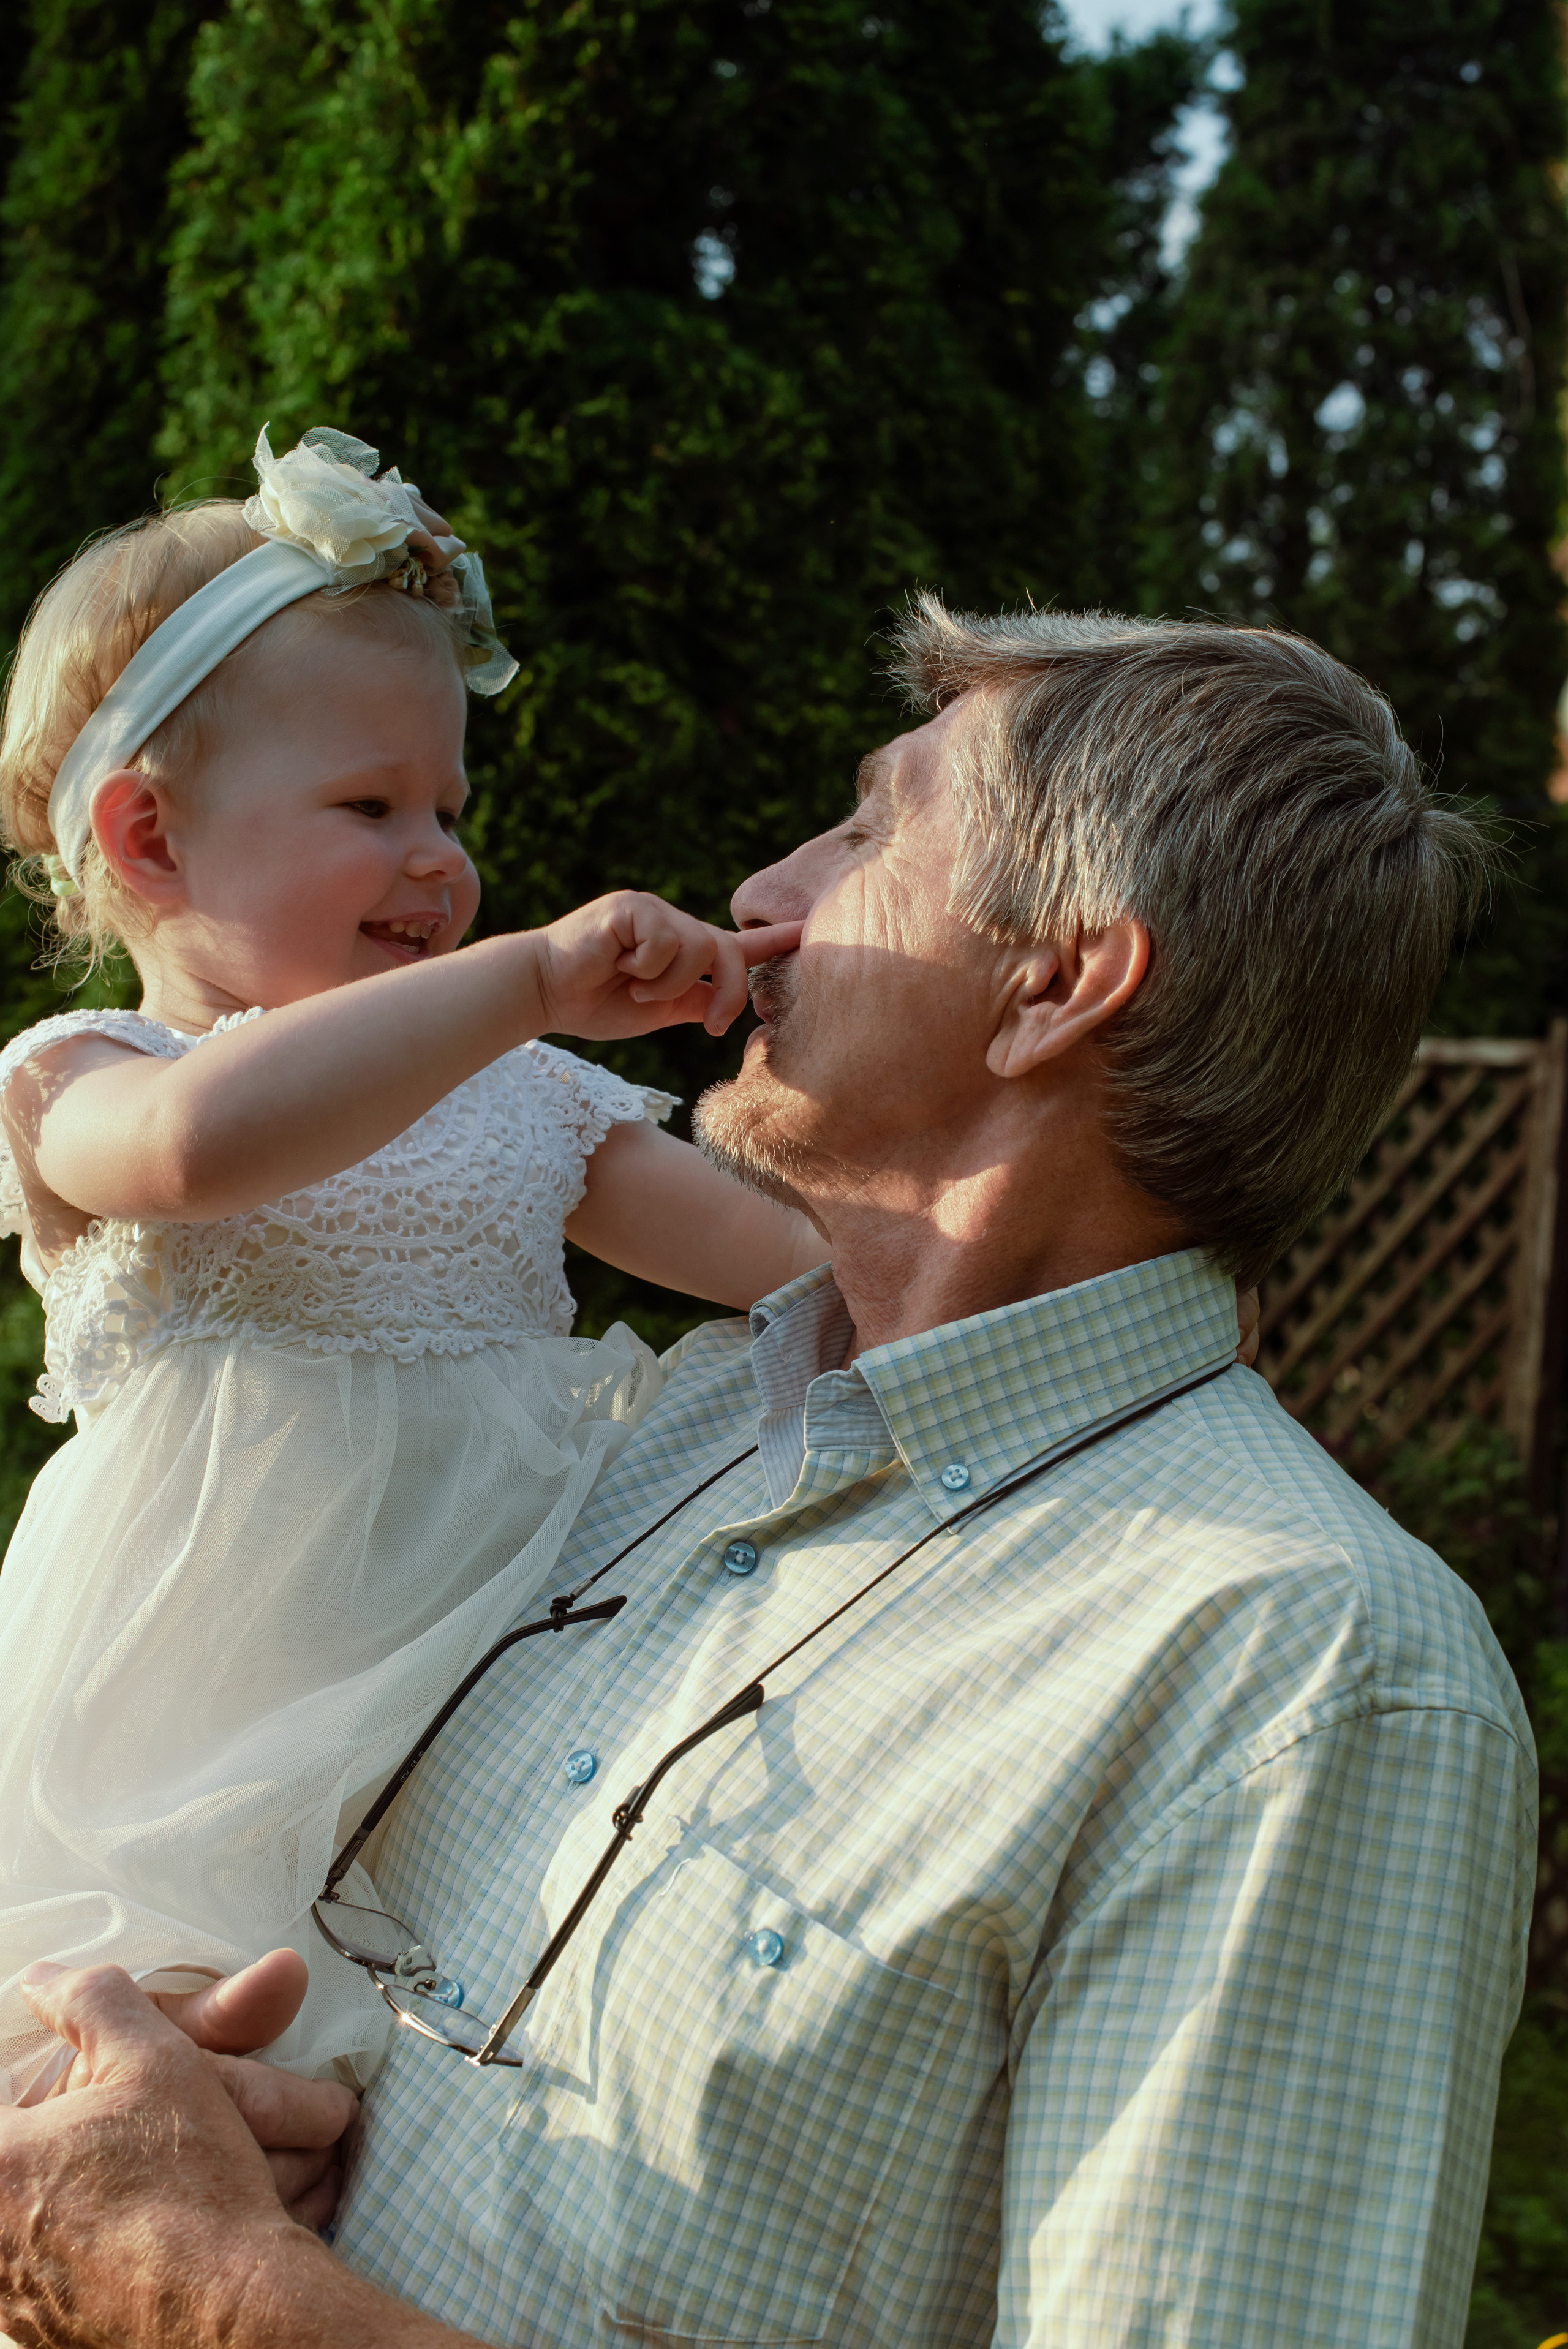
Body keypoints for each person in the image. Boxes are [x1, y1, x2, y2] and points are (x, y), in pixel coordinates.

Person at [0, 600, 1532, 2349]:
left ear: (1058, 984)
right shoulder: (650, 1439)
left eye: (873, 825)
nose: (759, 894)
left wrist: (211, 2292)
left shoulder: (1303, 1676)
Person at [0, 421, 815, 2100]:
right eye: (368, 805)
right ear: (150, 841)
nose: (439, 856)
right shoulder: (92, 1080)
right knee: (178, 2065)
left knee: (453, 2075)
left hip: (507, 1667)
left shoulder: (524, 1095)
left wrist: (1039, 1267)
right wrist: (522, 982)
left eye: (448, 800)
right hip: (213, 1728)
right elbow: (204, 1155)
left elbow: (790, 1264)